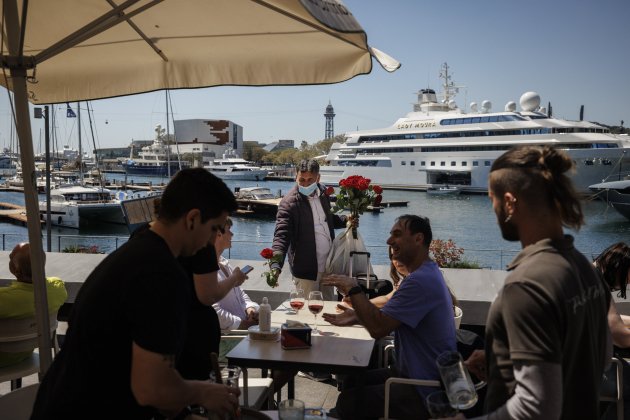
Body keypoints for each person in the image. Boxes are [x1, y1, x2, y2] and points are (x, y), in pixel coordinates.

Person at [31, 168, 240, 420]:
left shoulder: (139, 250)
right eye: (214, 229)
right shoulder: (161, 273)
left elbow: (132, 363)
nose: (212, 239)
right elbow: (152, 388)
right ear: (193, 219)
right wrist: (204, 392)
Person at [458, 146, 611, 420]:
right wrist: (502, 360)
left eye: (491, 199)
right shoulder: (586, 269)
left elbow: (536, 408)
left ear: (509, 202)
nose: (492, 209)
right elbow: (597, 356)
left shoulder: (526, 286)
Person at [322, 215, 457, 420]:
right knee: (352, 380)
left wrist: (353, 288)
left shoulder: (419, 282)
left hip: (423, 389)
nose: (389, 241)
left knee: (349, 402)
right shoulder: (427, 273)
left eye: (397, 234)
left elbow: (378, 328)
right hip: (419, 375)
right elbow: (387, 316)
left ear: (419, 239)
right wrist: (356, 316)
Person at [271, 159, 349, 300]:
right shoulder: (288, 203)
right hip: (306, 271)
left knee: (328, 312)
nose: (305, 184)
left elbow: (327, 220)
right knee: (307, 314)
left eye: (310, 180)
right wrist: (275, 265)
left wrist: (346, 220)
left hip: (328, 267)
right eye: (302, 180)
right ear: (296, 177)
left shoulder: (324, 193)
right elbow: (281, 236)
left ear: (318, 178)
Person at [0, 242, 67, 368]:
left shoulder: (4, 298)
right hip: (25, 355)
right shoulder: (57, 290)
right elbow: (56, 280)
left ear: (15, 270)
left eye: (10, 257)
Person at [594, 242, 630, 420]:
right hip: (595, 371)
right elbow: (620, 336)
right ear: (617, 269)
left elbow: (606, 319)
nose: (624, 285)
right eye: (625, 280)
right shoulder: (596, 285)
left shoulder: (582, 276)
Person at [213, 217, 258, 331]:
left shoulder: (224, 264)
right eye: (228, 229)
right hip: (230, 337)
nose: (232, 234)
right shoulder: (207, 272)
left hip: (244, 329)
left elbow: (240, 294)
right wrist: (243, 325)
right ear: (218, 234)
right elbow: (214, 312)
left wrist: (250, 309)